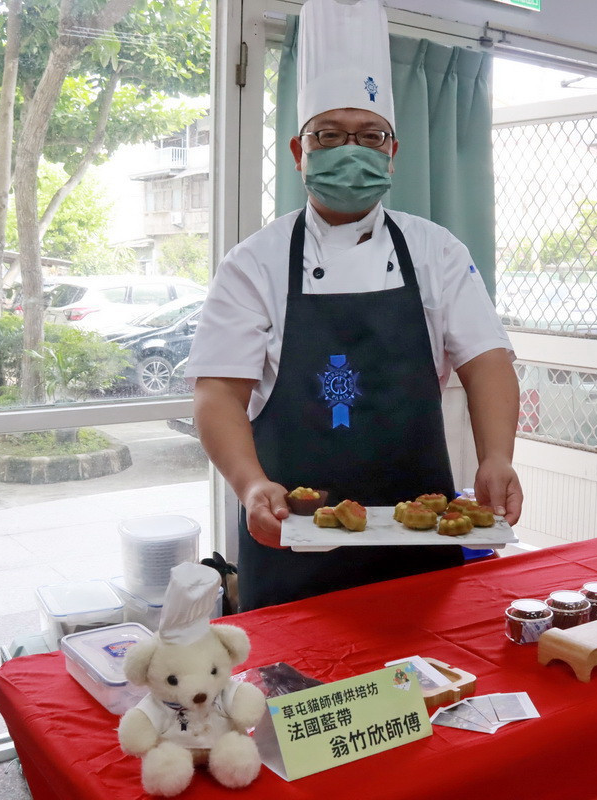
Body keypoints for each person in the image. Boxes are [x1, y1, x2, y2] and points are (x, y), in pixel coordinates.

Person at [184, 0, 521, 611]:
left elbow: (488, 360)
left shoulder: (434, 250)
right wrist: (249, 482)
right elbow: (217, 392)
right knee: (295, 697)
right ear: (298, 152)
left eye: (369, 136)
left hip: (420, 537)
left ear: (392, 152)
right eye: (329, 136)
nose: (351, 150)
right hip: (289, 532)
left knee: (422, 688)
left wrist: (497, 456)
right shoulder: (254, 262)